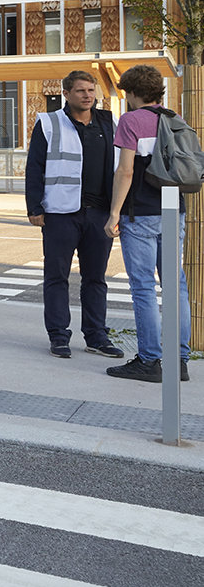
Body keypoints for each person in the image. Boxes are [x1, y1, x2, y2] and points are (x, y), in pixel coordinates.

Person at [24, 69, 122, 360]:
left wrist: (119, 212)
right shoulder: (49, 122)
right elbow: (35, 167)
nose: (88, 96)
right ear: (66, 94)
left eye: (91, 91)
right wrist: (34, 207)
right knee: (57, 277)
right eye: (81, 91)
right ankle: (58, 336)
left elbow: (120, 167)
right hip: (60, 213)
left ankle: (96, 336)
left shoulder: (108, 121)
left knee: (96, 278)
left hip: (99, 213)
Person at [104, 64, 192, 383]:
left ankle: (149, 360)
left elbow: (125, 172)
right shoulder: (175, 118)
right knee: (175, 284)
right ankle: (179, 360)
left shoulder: (131, 120)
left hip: (140, 212)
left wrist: (114, 213)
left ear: (132, 93)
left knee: (143, 285)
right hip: (174, 210)